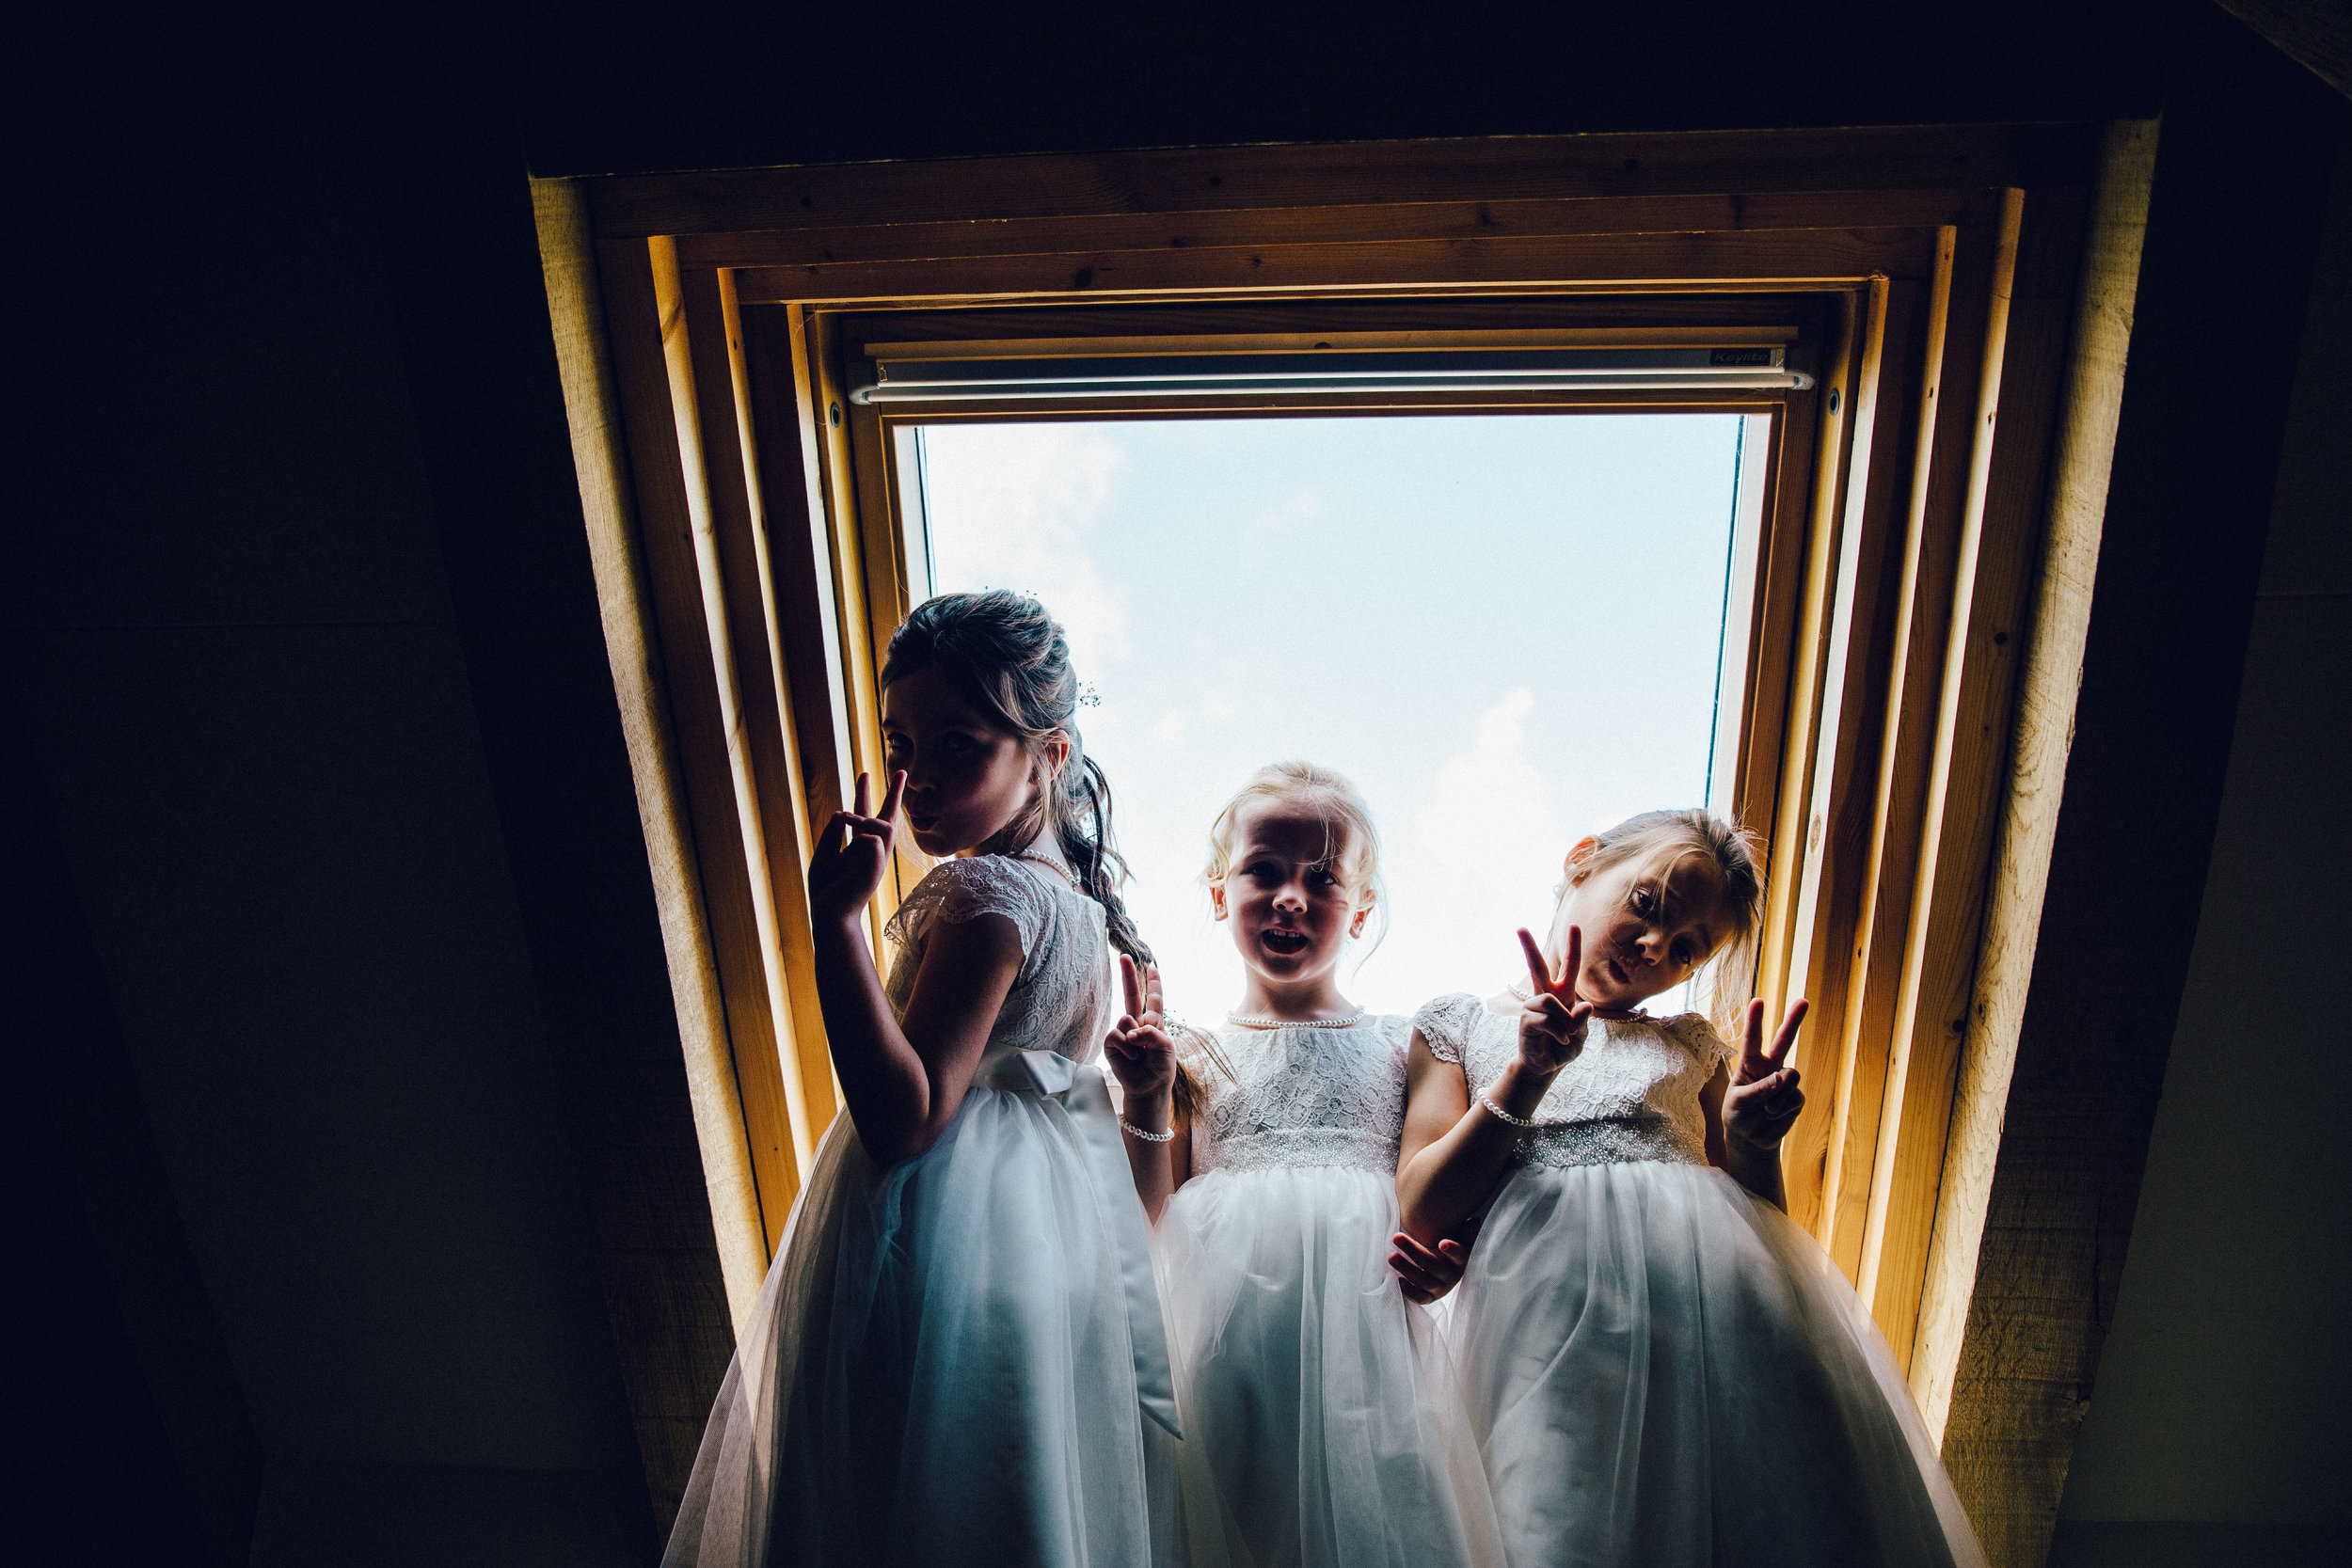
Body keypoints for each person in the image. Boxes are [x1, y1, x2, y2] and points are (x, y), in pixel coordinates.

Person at [663, 591, 1180, 1568]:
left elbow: (906, 1118)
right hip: (1034, 1252)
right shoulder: (1081, 911)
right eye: (901, 745)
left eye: (957, 743)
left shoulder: (988, 896)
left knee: (888, 1498)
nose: (919, 779)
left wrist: (838, 926)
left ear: (1049, 754)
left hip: (938, 1245)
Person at [1395, 809, 1986, 1568]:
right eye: (1646, 906)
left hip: (1720, 1336)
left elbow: (1760, 1223)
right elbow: (1421, 1205)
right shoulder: (1463, 1025)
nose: (1652, 950)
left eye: (1684, 951)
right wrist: (1529, 1071)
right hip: (1552, 1341)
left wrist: (1751, 1140)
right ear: (1583, 861)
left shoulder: (1688, 1043)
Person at [1104, 761, 1501, 1568]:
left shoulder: (1402, 1046)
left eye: (1322, 878)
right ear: (1219, 893)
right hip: (1224, 1350)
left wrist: (1446, 1264)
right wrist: (1146, 1098)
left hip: (1370, 1355)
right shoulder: (1193, 1052)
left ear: (1359, 910)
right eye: (1264, 870)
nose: (1291, 895)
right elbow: (1147, 1214)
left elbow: (1434, 1196)